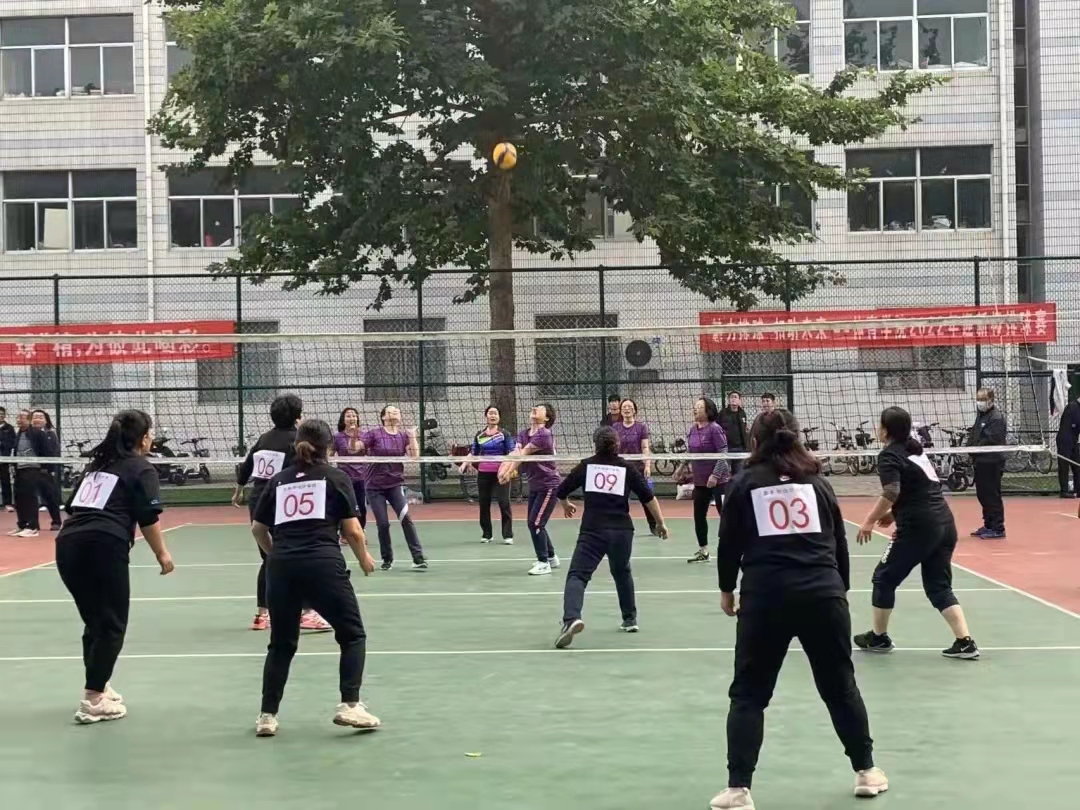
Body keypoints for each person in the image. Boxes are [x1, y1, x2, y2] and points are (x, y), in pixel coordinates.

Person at [711, 409, 887, 809]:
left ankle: (738, 789)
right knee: (840, 686)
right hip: (822, 596)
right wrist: (839, 589)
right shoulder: (818, 482)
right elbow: (839, 542)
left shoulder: (744, 484)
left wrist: (726, 589)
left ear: (754, 442)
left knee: (749, 694)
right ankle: (867, 771)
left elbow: (729, 542)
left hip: (766, 597)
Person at [251, 419, 380, 737]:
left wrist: (276, 555)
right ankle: (350, 705)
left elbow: (258, 528)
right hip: (323, 565)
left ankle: (267, 716)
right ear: (329, 446)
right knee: (352, 635)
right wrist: (364, 559)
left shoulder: (279, 480)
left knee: (281, 645)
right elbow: (352, 531)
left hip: (281, 568)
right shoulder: (336, 478)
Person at [54, 409, 175, 724]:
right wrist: (162, 554)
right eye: (150, 434)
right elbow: (148, 517)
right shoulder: (141, 468)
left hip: (67, 544)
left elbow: (73, 507)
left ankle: (99, 684)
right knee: (111, 625)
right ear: (143, 438)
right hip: (104, 545)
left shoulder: (96, 466)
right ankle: (93, 699)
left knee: (95, 622)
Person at [853, 407, 979, 660]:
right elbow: (921, 488)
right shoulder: (916, 450)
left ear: (885, 430)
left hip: (919, 528)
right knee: (938, 586)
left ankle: (879, 637)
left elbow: (892, 491)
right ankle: (965, 642)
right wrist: (893, 514)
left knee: (884, 579)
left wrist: (869, 521)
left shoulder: (889, 455)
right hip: (944, 523)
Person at [554, 426, 669, 648]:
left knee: (577, 575)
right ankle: (630, 619)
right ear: (617, 444)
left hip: (593, 530)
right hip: (622, 531)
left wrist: (565, 504)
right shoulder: (626, 467)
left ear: (595, 444)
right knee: (622, 571)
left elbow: (561, 490)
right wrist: (660, 523)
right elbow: (648, 497)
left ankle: (571, 619)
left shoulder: (587, 466)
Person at [235, 393, 330, 632]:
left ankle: (262, 615)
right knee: (297, 557)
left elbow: (246, 467)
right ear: (298, 416)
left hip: (258, 502)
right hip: (283, 503)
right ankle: (307, 613)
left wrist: (238, 490)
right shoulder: (296, 440)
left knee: (269, 559)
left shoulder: (264, 439)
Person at [355, 405, 427, 570]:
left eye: (397, 411)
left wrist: (412, 436)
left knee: (406, 518)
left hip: (394, 484)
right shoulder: (375, 434)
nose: (394, 413)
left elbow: (414, 456)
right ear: (383, 417)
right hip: (374, 486)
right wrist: (354, 437)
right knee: (383, 524)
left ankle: (418, 558)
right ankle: (387, 558)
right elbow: (356, 447)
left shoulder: (403, 436)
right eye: (391, 411)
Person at [499, 403, 561, 575]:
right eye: (534, 407)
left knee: (536, 523)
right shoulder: (523, 433)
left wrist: (508, 472)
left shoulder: (544, 434)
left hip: (548, 485)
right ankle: (551, 557)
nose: (534, 408)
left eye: (540, 408)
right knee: (533, 522)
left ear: (546, 417)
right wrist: (504, 467)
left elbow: (523, 454)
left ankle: (543, 563)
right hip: (535, 484)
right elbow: (515, 453)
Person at [679, 397, 730, 563]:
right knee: (699, 516)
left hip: (719, 481)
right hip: (700, 481)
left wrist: (715, 475)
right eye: (695, 407)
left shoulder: (715, 429)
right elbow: (690, 451)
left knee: (726, 515)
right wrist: (680, 468)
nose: (695, 409)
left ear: (708, 411)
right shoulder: (693, 429)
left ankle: (734, 548)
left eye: (699, 407)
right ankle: (703, 550)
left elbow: (723, 453)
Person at [459, 406, 515, 544]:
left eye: (495, 413)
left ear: (499, 417)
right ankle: (487, 534)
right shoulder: (480, 435)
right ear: (486, 416)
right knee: (484, 504)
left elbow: (511, 452)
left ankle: (508, 535)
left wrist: (507, 469)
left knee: (504, 503)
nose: (493, 416)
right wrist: (464, 464)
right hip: (484, 473)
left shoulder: (504, 434)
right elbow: (473, 452)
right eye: (490, 413)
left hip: (501, 474)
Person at [613, 398, 658, 536]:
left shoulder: (641, 427)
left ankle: (654, 526)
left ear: (634, 410)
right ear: (621, 411)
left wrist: (647, 465)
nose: (627, 409)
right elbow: (613, 448)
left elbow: (645, 447)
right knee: (619, 500)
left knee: (646, 497)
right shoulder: (615, 427)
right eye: (624, 407)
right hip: (621, 469)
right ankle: (620, 526)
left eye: (630, 407)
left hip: (638, 469)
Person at [969, 388, 1007, 538]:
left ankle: (998, 528)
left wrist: (974, 448)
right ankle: (988, 524)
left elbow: (990, 440)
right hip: (981, 461)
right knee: (983, 494)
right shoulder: (981, 415)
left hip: (992, 462)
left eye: (983, 399)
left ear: (991, 400)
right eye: (978, 399)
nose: (980, 402)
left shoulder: (996, 418)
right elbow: (975, 434)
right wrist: (969, 448)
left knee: (991, 495)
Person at [11, 409, 50, 538]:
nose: (19, 420)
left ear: (29, 419)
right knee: (19, 498)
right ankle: (22, 525)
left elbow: (46, 452)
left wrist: (45, 468)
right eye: (18, 417)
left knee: (30, 498)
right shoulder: (18, 434)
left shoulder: (37, 433)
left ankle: (33, 527)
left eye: (22, 417)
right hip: (19, 469)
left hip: (32, 469)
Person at [332, 407, 368, 528]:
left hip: (360, 477)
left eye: (354, 415)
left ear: (357, 419)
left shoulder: (364, 435)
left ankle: (361, 529)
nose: (352, 418)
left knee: (361, 506)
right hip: (344, 477)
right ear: (343, 420)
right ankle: (342, 531)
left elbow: (358, 450)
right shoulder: (337, 437)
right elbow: (330, 453)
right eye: (348, 416)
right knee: (344, 505)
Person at [31, 409, 62, 531]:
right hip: (29, 470)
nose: (37, 419)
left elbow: (54, 452)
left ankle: (56, 521)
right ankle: (32, 524)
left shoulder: (50, 434)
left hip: (45, 471)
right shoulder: (27, 434)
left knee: (50, 497)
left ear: (46, 420)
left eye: (40, 417)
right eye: (35, 417)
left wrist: (49, 468)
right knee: (30, 498)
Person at [1055, 393, 1080, 498]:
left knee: (1077, 464)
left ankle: (1078, 489)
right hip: (1065, 440)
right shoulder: (1072, 407)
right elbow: (1074, 423)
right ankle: (1064, 491)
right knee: (1064, 465)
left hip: (1073, 440)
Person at [718, 392, 749, 477]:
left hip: (740, 448)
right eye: (731, 397)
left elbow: (744, 429)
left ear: (739, 400)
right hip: (726, 448)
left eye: (735, 397)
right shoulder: (722, 413)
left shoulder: (742, 413)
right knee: (724, 474)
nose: (733, 399)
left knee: (738, 474)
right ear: (728, 400)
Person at [0, 406, 15, 513]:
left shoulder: (9, 428)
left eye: (2, 414)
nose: (0, 416)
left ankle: (7, 503)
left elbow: (12, 442)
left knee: (5, 481)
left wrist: (2, 444)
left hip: (4, 459)